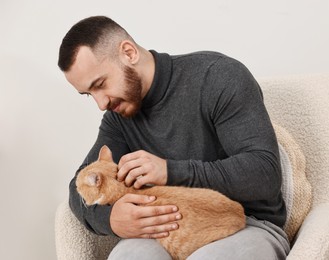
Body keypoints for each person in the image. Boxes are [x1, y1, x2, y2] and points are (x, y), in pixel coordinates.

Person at [58, 16, 290, 259]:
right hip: (162, 226)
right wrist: (111, 219)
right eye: (89, 94)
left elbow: (264, 173)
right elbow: (78, 187)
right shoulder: (118, 117)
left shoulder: (218, 76)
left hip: (244, 223)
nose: (101, 103)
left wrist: (170, 171)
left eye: (101, 84)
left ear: (128, 52)